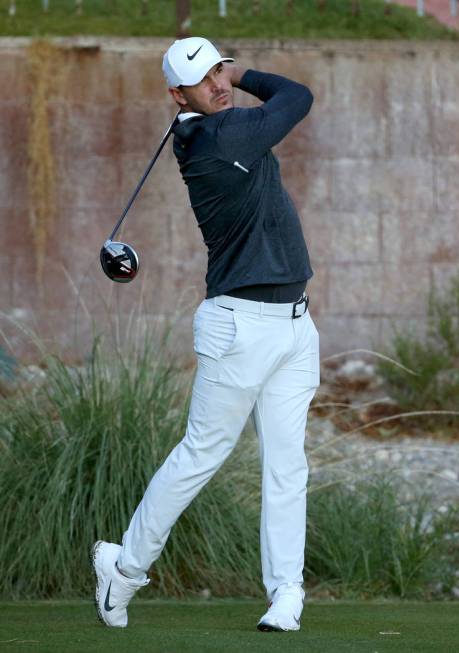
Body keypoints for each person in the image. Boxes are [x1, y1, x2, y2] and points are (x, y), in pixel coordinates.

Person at [93, 36, 320, 633]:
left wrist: (225, 72)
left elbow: (284, 100)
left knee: (286, 465)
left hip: (295, 326)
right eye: (206, 79)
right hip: (238, 326)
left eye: (221, 71)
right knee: (201, 455)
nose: (220, 85)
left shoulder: (208, 128)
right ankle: (125, 567)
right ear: (179, 95)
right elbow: (297, 95)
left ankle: (286, 594)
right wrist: (245, 73)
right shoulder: (221, 138)